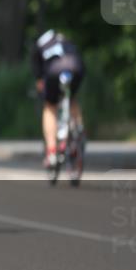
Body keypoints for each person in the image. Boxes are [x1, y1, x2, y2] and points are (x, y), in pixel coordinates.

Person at [32, 29, 86, 169]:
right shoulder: (65, 39)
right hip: (76, 67)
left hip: (54, 70)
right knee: (71, 98)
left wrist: (41, 89)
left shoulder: (40, 45)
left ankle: (51, 152)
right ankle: (78, 129)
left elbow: (38, 77)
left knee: (50, 106)